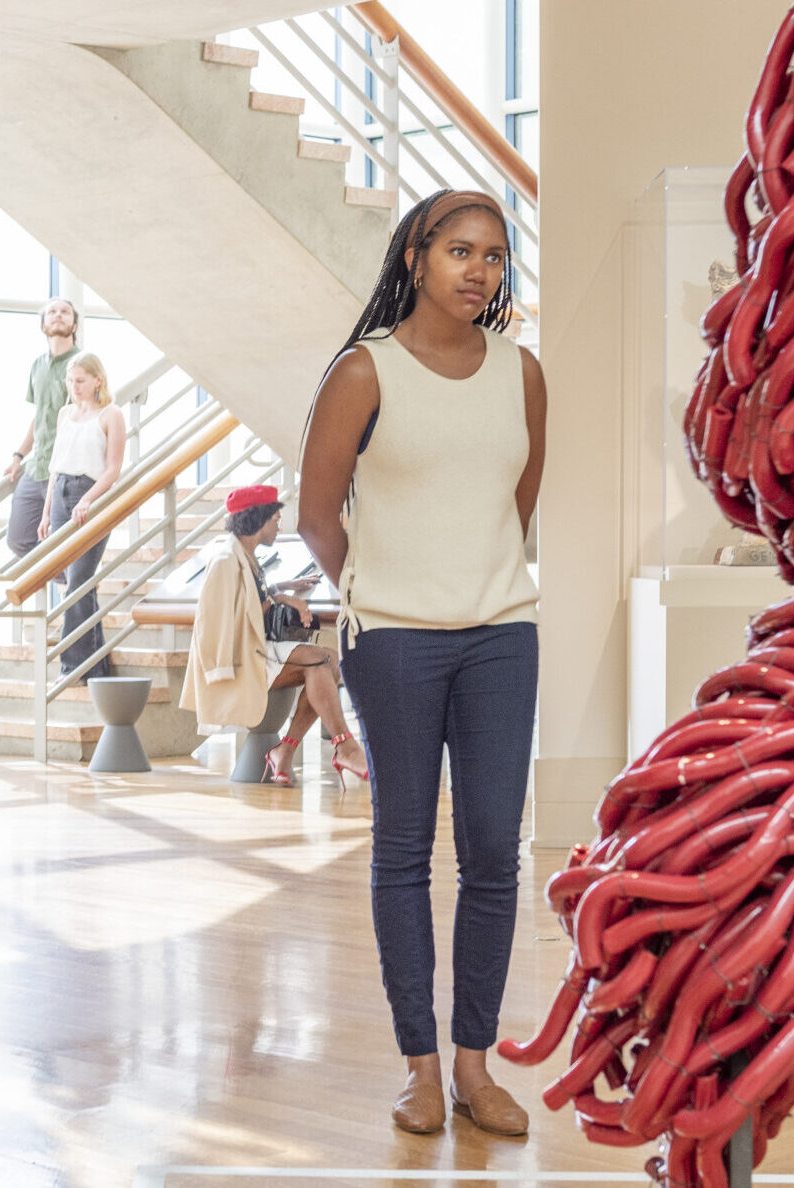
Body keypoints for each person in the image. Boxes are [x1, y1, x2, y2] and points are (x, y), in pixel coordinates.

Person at [296, 190, 546, 1137]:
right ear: (415, 257)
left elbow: (516, 506)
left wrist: (469, 575)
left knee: (493, 851)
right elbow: (318, 517)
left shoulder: (522, 375)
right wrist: (382, 586)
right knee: (405, 851)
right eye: (458, 251)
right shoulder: (363, 374)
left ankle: (477, 1067)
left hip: (500, 637)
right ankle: (420, 1068)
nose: (478, 270)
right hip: (392, 641)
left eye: (493, 255)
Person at [179, 484, 370, 787]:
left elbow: (250, 597)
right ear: (259, 519)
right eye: (276, 520)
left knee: (329, 662)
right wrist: (281, 600)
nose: (279, 527)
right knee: (321, 661)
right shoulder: (225, 559)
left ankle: (286, 750)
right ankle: (343, 746)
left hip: (257, 649)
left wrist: (284, 589)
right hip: (239, 659)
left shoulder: (244, 554)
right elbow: (213, 619)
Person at [38, 351, 126, 681]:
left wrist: (88, 499)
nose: (74, 387)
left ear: (97, 380)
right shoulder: (65, 414)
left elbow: (113, 469)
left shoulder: (111, 414)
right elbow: (54, 466)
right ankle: (95, 666)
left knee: (79, 581)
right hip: (61, 493)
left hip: (90, 494)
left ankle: (72, 665)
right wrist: (47, 512)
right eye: (70, 381)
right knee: (77, 583)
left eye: (80, 381)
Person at [1, 298, 83, 558]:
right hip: (36, 467)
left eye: (65, 312)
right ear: (43, 325)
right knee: (18, 540)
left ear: (74, 324)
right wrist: (18, 456)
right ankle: (60, 575)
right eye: (52, 312)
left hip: (66, 470)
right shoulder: (38, 365)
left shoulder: (82, 365)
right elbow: (40, 416)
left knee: (63, 542)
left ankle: (68, 583)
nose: (58, 315)